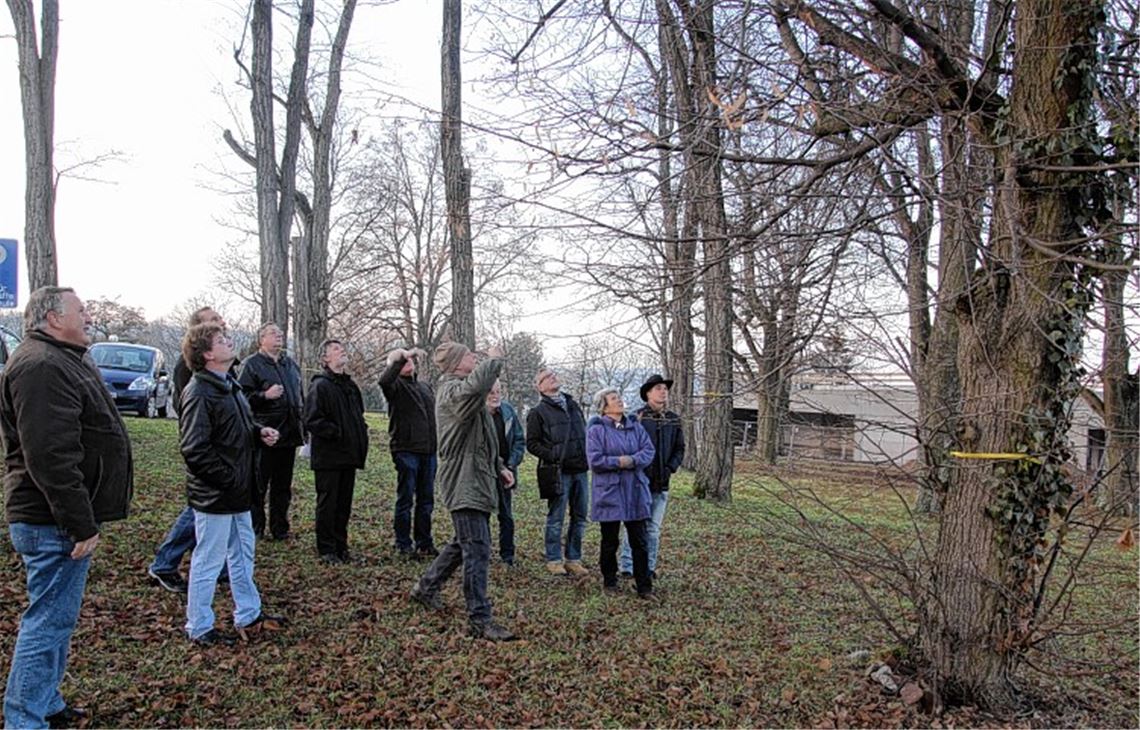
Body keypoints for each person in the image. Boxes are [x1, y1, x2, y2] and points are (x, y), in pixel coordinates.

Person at [1, 286, 134, 728]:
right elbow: (50, 456)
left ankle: (45, 703)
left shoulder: (62, 358)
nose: (88, 315)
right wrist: (79, 522)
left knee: (57, 619)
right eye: (79, 310)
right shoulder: (40, 366)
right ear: (52, 318)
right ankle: (24, 719)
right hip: (50, 520)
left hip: (59, 519)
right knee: (46, 623)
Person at [180, 322, 285, 646]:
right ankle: (199, 626)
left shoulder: (230, 385)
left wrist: (258, 431)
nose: (229, 343)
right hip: (217, 494)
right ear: (208, 354)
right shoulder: (199, 391)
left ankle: (249, 613)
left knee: (243, 553)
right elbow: (195, 449)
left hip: (239, 491)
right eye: (222, 341)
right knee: (209, 560)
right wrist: (228, 480)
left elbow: (238, 425)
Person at [409, 342, 517, 641]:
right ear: (457, 363)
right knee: (478, 549)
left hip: (477, 478)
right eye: (471, 355)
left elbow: (482, 442)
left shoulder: (466, 397)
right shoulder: (452, 393)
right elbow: (476, 387)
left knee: (463, 542)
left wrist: (500, 467)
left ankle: (426, 587)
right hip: (463, 481)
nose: (476, 358)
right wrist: (495, 360)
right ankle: (479, 619)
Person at [147, 305, 232, 593]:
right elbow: (191, 412)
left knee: (217, 510)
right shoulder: (189, 368)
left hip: (225, 448)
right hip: (207, 451)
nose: (220, 324)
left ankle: (220, 566)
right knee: (198, 509)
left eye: (220, 321)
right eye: (213, 322)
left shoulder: (227, 365)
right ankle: (165, 563)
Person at [303, 339, 369, 564]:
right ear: (325, 358)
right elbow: (311, 419)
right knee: (328, 503)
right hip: (329, 456)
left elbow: (359, 416)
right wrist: (336, 432)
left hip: (349, 455)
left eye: (342, 349)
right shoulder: (320, 386)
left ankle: (342, 547)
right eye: (335, 349)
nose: (342, 352)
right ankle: (326, 549)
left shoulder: (350, 386)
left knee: (344, 505)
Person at [586, 387, 655, 599]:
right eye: (614, 399)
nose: (620, 401)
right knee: (610, 541)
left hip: (635, 490)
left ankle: (644, 586)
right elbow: (595, 461)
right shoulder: (597, 431)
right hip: (610, 492)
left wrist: (633, 460)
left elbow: (648, 451)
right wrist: (619, 462)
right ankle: (610, 582)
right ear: (604, 407)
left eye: (619, 398)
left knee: (640, 541)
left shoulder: (635, 427)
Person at [238, 323, 304, 540]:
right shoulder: (252, 365)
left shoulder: (290, 365)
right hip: (264, 435)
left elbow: (299, 398)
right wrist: (264, 396)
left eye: (281, 334)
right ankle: (255, 529)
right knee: (259, 485)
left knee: (282, 487)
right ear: (261, 339)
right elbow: (241, 400)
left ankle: (280, 529)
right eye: (273, 334)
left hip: (289, 435)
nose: (279, 336)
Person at [619, 374, 685, 579]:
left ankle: (648, 566)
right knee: (635, 525)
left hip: (661, 483)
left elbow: (679, 448)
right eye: (658, 388)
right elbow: (626, 446)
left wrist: (670, 468)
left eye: (665, 388)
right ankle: (628, 566)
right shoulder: (636, 418)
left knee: (653, 530)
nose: (663, 391)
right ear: (648, 393)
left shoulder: (673, 419)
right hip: (638, 482)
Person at [526, 368, 590, 576]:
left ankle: (573, 559)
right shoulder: (537, 412)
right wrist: (554, 455)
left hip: (580, 469)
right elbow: (532, 444)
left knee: (580, 516)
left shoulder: (573, 405)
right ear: (539, 387)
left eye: (553, 374)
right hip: (558, 471)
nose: (552, 377)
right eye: (546, 377)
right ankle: (554, 559)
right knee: (556, 517)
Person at [379, 347, 438, 559]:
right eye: (403, 362)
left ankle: (424, 541)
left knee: (426, 500)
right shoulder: (394, 387)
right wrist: (399, 358)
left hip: (429, 451)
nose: (409, 363)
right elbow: (384, 381)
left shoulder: (425, 387)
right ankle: (403, 542)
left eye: (410, 360)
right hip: (406, 450)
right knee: (405, 499)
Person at [486, 378, 525, 566]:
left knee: (506, 515)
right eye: (491, 392)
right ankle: (481, 553)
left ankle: (507, 555)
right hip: (484, 472)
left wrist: (510, 465)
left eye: (498, 392)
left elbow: (519, 440)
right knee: (482, 515)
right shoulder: (476, 413)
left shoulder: (508, 410)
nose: (495, 396)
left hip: (506, 472)